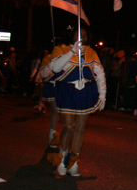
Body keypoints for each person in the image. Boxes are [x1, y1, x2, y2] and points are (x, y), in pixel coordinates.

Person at [50, 27, 106, 177]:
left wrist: (103, 95)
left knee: (80, 128)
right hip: (68, 91)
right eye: (79, 34)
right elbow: (55, 68)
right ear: (72, 35)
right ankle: (62, 158)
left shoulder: (91, 52)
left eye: (86, 35)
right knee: (69, 126)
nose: (83, 37)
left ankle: (73, 162)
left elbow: (99, 74)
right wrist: (72, 52)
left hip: (86, 91)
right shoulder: (61, 49)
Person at [39, 40, 64, 166]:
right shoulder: (48, 59)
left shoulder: (66, 56)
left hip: (64, 88)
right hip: (52, 87)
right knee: (56, 112)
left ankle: (63, 139)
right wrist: (52, 65)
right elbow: (43, 74)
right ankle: (52, 138)